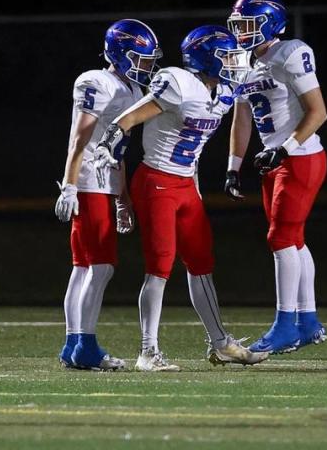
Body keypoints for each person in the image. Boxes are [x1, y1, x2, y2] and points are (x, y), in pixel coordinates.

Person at [93, 25, 268, 369]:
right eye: (227, 55)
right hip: (156, 180)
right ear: (206, 59)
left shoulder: (225, 91)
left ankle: (220, 343)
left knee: (201, 263)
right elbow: (129, 117)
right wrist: (108, 141)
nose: (235, 62)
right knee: (160, 267)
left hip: (186, 183)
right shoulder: (178, 81)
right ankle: (147, 352)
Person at [224, 0, 327, 354]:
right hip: (275, 159)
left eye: (249, 23)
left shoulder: (290, 52)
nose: (241, 31)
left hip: (299, 158)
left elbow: (318, 112)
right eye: (238, 24)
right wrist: (233, 167)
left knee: (281, 238)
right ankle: (308, 321)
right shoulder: (241, 60)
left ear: (270, 23)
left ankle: (286, 325)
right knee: (293, 240)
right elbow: (242, 119)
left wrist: (285, 148)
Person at [54, 19, 161, 371]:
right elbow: (79, 137)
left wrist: (123, 198)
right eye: (141, 58)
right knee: (99, 267)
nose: (147, 66)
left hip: (103, 183)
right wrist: (70, 184)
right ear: (120, 53)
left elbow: (118, 149)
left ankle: (74, 344)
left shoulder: (130, 90)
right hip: (87, 182)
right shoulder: (96, 81)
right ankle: (84, 343)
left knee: (84, 267)